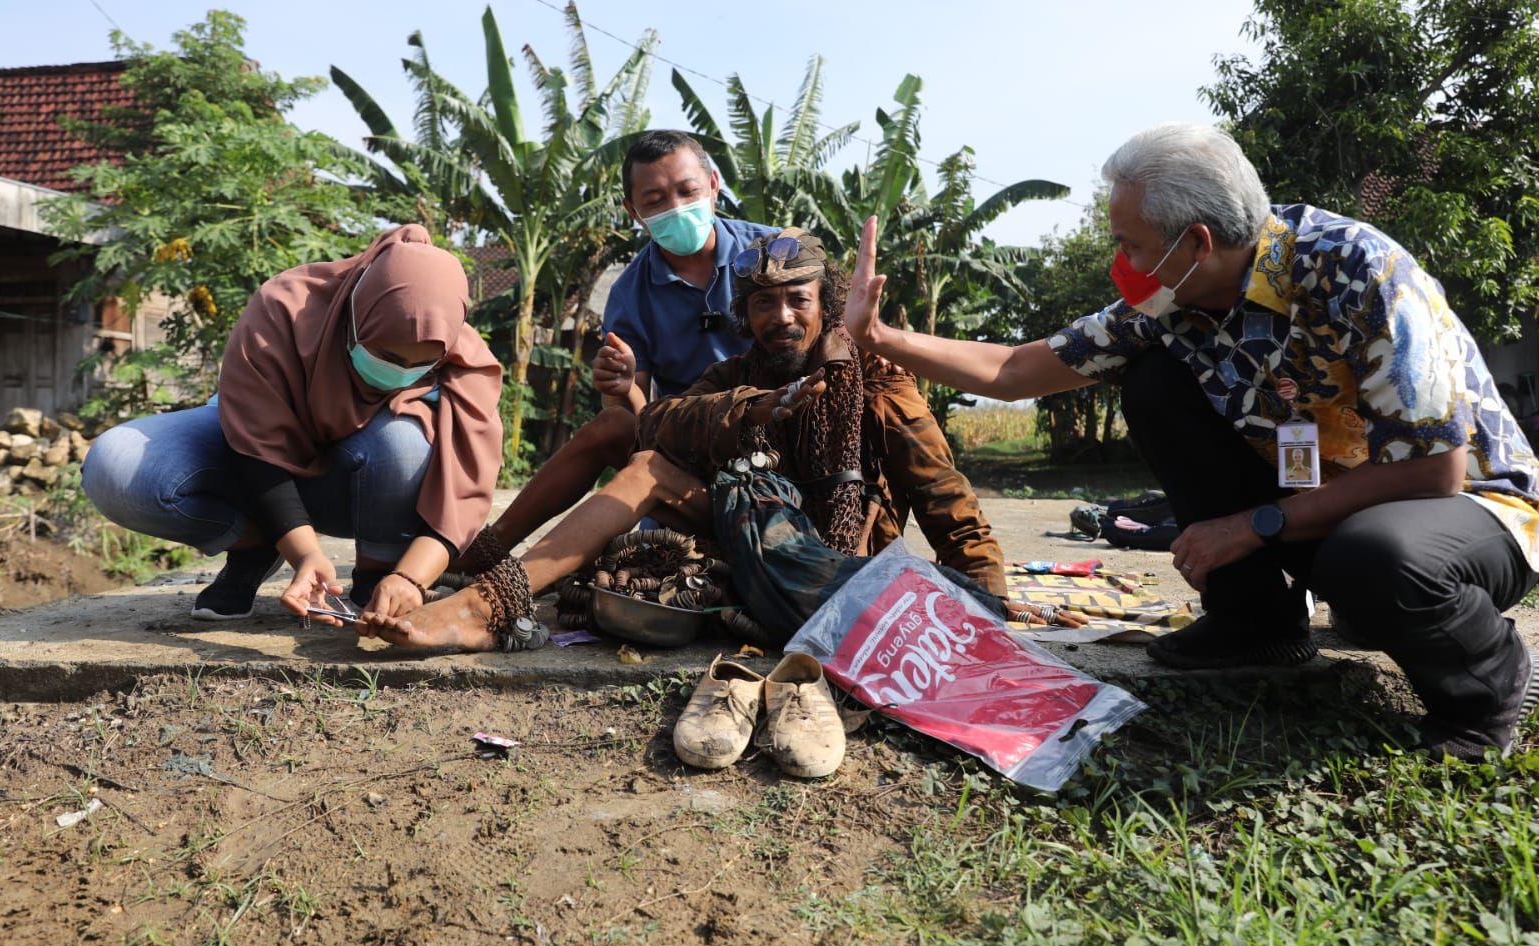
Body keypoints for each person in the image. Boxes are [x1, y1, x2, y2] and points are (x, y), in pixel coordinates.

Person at [844, 121, 1539, 762]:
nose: (1122, 259)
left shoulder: (1359, 270)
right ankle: (1254, 623)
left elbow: (1432, 471)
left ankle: (1487, 686)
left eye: (1132, 243)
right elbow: (1014, 369)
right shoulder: (1168, 301)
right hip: (1329, 510)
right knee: (1153, 383)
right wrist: (878, 337)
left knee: (1375, 558)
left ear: (1196, 243)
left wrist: (1253, 524)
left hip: (1471, 513)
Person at [361, 229, 1013, 652]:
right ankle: (484, 578)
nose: (779, 317)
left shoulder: (881, 385)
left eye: (796, 300)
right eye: (762, 303)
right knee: (628, 436)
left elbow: (949, 507)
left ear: (828, 303)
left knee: (641, 446)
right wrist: (754, 409)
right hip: (735, 531)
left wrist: (990, 605)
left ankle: (488, 600)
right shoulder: (736, 374)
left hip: (822, 560)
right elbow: (664, 424)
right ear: (744, 312)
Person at [83, 224, 504, 626]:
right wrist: (305, 554)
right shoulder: (284, 308)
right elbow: (255, 445)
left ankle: (376, 574)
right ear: (355, 318)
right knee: (117, 466)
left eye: (419, 365)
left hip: (363, 485)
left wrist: (410, 577)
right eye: (387, 356)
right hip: (250, 453)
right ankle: (254, 545)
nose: (400, 372)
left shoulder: (464, 358)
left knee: (403, 441)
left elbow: (466, 492)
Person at [453, 130, 779, 573]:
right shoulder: (629, 293)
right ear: (634, 212)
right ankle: (486, 552)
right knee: (610, 423)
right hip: (691, 449)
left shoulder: (773, 254)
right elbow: (633, 417)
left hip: (777, 441)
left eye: (688, 191)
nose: (677, 208)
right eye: (656, 200)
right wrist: (625, 386)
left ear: (714, 185)